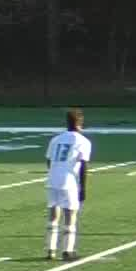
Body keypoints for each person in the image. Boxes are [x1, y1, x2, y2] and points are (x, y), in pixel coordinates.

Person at [43, 109, 93, 261]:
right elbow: (84, 165)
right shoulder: (83, 141)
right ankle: (67, 251)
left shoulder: (56, 139)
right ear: (80, 123)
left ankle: (50, 249)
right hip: (69, 181)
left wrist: (55, 172)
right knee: (70, 216)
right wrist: (83, 188)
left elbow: (49, 161)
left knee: (53, 214)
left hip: (52, 180)